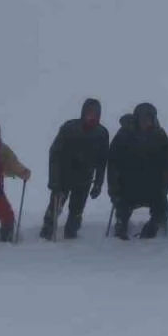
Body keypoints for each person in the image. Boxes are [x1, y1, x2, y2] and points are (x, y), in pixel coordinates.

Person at [41, 98, 110, 240]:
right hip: (63, 177)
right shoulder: (69, 128)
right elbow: (55, 154)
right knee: (54, 208)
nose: (91, 116)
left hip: (84, 180)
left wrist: (98, 182)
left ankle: (71, 236)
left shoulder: (102, 133)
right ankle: (46, 233)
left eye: (95, 113)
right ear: (83, 112)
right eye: (89, 112)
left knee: (77, 211)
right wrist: (54, 179)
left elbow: (102, 161)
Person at [106, 103, 168, 240]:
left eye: (148, 118)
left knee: (161, 207)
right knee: (122, 204)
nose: (145, 121)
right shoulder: (125, 133)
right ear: (136, 118)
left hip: (152, 184)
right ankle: (121, 222)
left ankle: (154, 224)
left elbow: (167, 162)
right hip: (129, 183)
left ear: (153, 118)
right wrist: (114, 187)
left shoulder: (159, 135)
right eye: (142, 118)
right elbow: (113, 161)